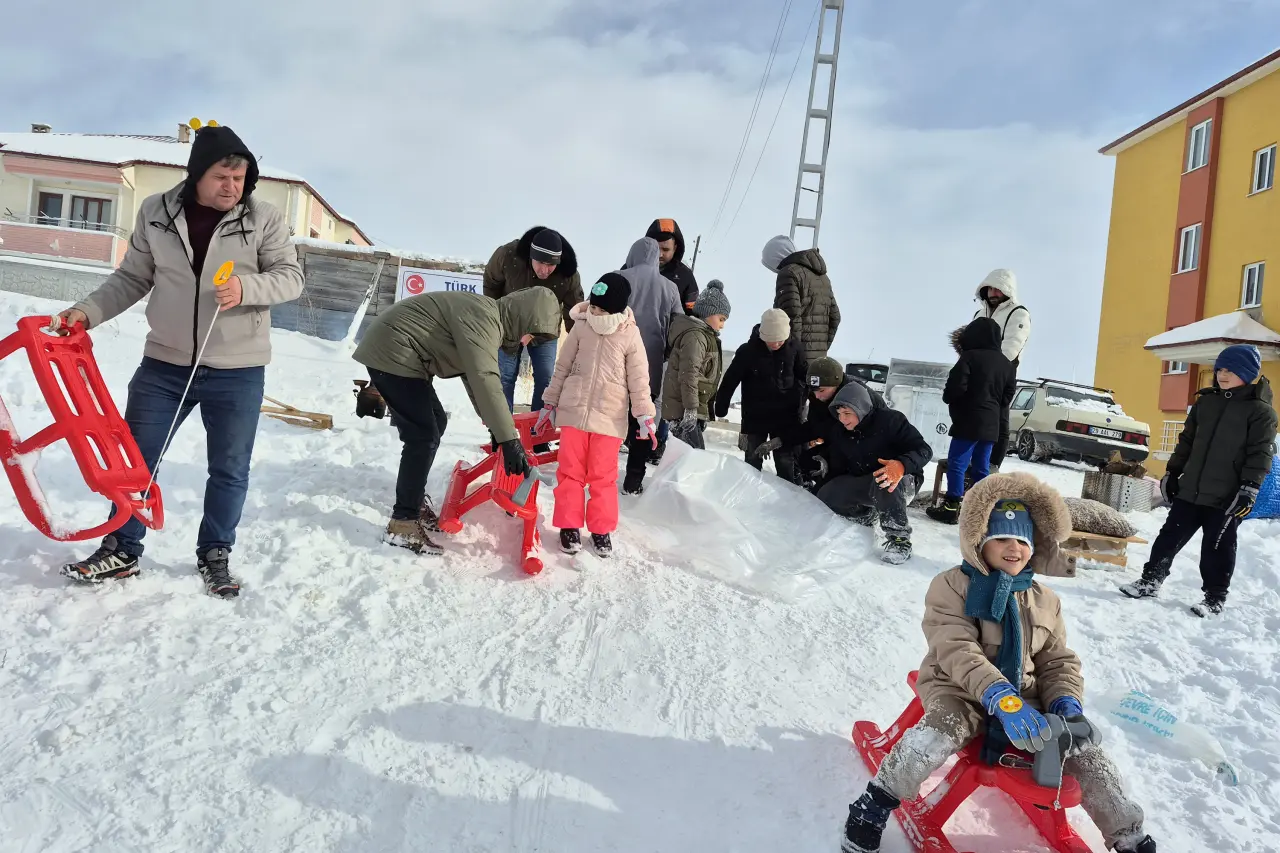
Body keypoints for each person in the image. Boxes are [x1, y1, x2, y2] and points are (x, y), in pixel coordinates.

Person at [841, 472, 1156, 853]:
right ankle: (873, 804)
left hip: (1029, 700)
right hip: (961, 690)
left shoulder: (1045, 600)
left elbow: (1056, 659)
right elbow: (956, 649)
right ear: (979, 542)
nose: (1013, 549)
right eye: (1001, 538)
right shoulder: (952, 585)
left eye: (1021, 540)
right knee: (939, 729)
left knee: (1084, 750)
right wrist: (999, 697)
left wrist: (1065, 703)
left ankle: (1128, 833)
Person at [57, 125, 304, 598]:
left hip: (238, 369)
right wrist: (86, 311)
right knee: (135, 462)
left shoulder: (264, 218)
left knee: (230, 468)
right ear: (197, 174)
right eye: (222, 175)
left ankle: (215, 553)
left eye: (241, 176)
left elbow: (291, 278)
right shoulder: (156, 213)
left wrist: (248, 289)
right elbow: (131, 278)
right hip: (164, 366)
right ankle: (122, 548)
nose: (233, 186)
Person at [352, 287, 562, 555]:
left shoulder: (487, 318)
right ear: (523, 319)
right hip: (394, 351)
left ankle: (412, 505)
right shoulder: (484, 319)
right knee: (423, 435)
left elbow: (473, 376)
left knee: (435, 423)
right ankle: (402, 523)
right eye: (529, 334)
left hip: (403, 353)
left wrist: (496, 428)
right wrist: (509, 439)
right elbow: (485, 377)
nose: (525, 341)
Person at [1120, 345, 1277, 617]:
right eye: (1220, 369)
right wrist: (1172, 473)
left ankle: (1214, 597)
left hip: (1226, 496)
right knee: (1169, 536)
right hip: (1191, 489)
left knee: (1217, 547)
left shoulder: (1260, 412)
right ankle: (1151, 580)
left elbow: (1260, 454)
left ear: (1247, 373)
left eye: (1230, 370)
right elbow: (1187, 442)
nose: (1222, 374)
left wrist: (1249, 489)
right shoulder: (1206, 403)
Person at [537, 273, 656, 557]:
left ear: (616, 308)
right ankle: (569, 526)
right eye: (594, 306)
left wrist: (644, 415)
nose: (596, 312)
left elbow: (639, 379)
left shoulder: (630, 333)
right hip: (575, 412)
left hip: (609, 416)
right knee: (570, 473)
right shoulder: (581, 326)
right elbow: (562, 367)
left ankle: (601, 530)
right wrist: (549, 403)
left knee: (602, 477)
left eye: (602, 309)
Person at [804, 381, 932, 564]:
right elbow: (838, 472)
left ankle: (899, 539)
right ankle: (865, 515)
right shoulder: (841, 432)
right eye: (839, 414)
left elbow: (924, 450)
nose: (843, 419)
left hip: (902, 479)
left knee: (884, 479)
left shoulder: (891, 421)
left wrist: (901, 465)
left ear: (862, 408)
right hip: (867, 481)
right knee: (828, 493)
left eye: (847, 413)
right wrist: (816, 495)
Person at [483, 226, 584, 413]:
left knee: (545, 378)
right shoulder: (507, 256)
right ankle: (503, 434)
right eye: (540, 263)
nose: (545, 270)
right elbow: (491, 282)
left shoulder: (568, 274)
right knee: (504, 377)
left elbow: (574, 311)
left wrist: (579, 342)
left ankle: (539, 432)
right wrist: (495, 319)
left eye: (551, 265)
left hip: (545, 332)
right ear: (531, 256)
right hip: (509, 327)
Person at [927, 317, 1017, 525]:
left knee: (957, 463)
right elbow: (1008, 395)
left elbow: (956, 387)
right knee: (981, 467)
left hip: (968, 421)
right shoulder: (1007, 364)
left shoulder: (969, 357)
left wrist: (950, 399)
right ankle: (981, 511)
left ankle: (951, 507)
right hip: (991, 423)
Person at [618, 236, 683, 489]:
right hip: (650, 365)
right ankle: (634, 479)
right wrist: (664, 353)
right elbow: (677, 327)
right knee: (643, 422)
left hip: (616, 363)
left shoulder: (617, 278)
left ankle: (597, 473)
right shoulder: (670, 288)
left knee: (611, 417)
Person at [714, 308, 807, 483]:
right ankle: (748, 495)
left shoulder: (795, 349)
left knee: (786, 462)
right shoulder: (747, 351)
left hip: (785, 417)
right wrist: (721, 406)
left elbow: (806, 378)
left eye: (780, 341)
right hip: (756, 416)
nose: (776, 344)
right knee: (752, 459)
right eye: (772, 341)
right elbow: (730, 380)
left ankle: (789, 502)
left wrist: (804, 407)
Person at [657, 280, 730, 461]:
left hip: (690, 408)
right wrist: (691, 409)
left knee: (687, 460)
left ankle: (671, 488)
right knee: (694, 460)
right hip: (683, 409)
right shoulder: (696, 336)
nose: (722, 325)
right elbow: (689, 373)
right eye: (721, 319)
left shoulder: (705, 336)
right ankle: (670, 489)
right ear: (708, 313)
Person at [970, 268, 1030, 471]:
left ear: (1008, 290)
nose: (994, 293)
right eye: (990, 289)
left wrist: (988, 369)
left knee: (999, 420)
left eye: (999, 289)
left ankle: (993, 464)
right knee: (975, 417)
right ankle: (975, 461)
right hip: (976, 374)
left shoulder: (1018, 313)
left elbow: (1012, 346)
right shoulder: (979, 313)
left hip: (1002, 375)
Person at [761, 234, 840, 363]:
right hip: (817, 363)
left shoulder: (788, 273)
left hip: (796, 363)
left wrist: (793, 354)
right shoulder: (822, 277)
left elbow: (791, 318)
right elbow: (836, 318)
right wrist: (821, 349)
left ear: (777, 257)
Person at [645, 218, 699, 315]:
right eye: (656, 249)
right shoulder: (631, 267)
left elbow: (694, 313)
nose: (660, 254)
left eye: (665, 250)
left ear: (675, 248)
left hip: (671, 329)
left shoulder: (685, 275)